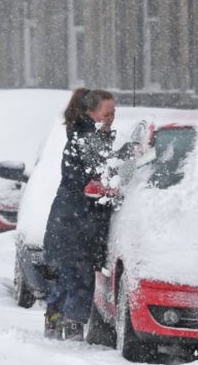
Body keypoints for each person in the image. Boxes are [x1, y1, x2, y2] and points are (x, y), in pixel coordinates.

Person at [42, 87, 129, 341]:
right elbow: (99, 173)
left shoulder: (83, 135)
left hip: (70, 220)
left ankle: (56, 322)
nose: (112, 117)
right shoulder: (84, 138)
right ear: (91, 112)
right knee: (78, 277)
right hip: (77, 223)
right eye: (107, 112)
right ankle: (72, 329)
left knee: (68, 275)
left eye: (114, 112)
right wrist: (127, 154)